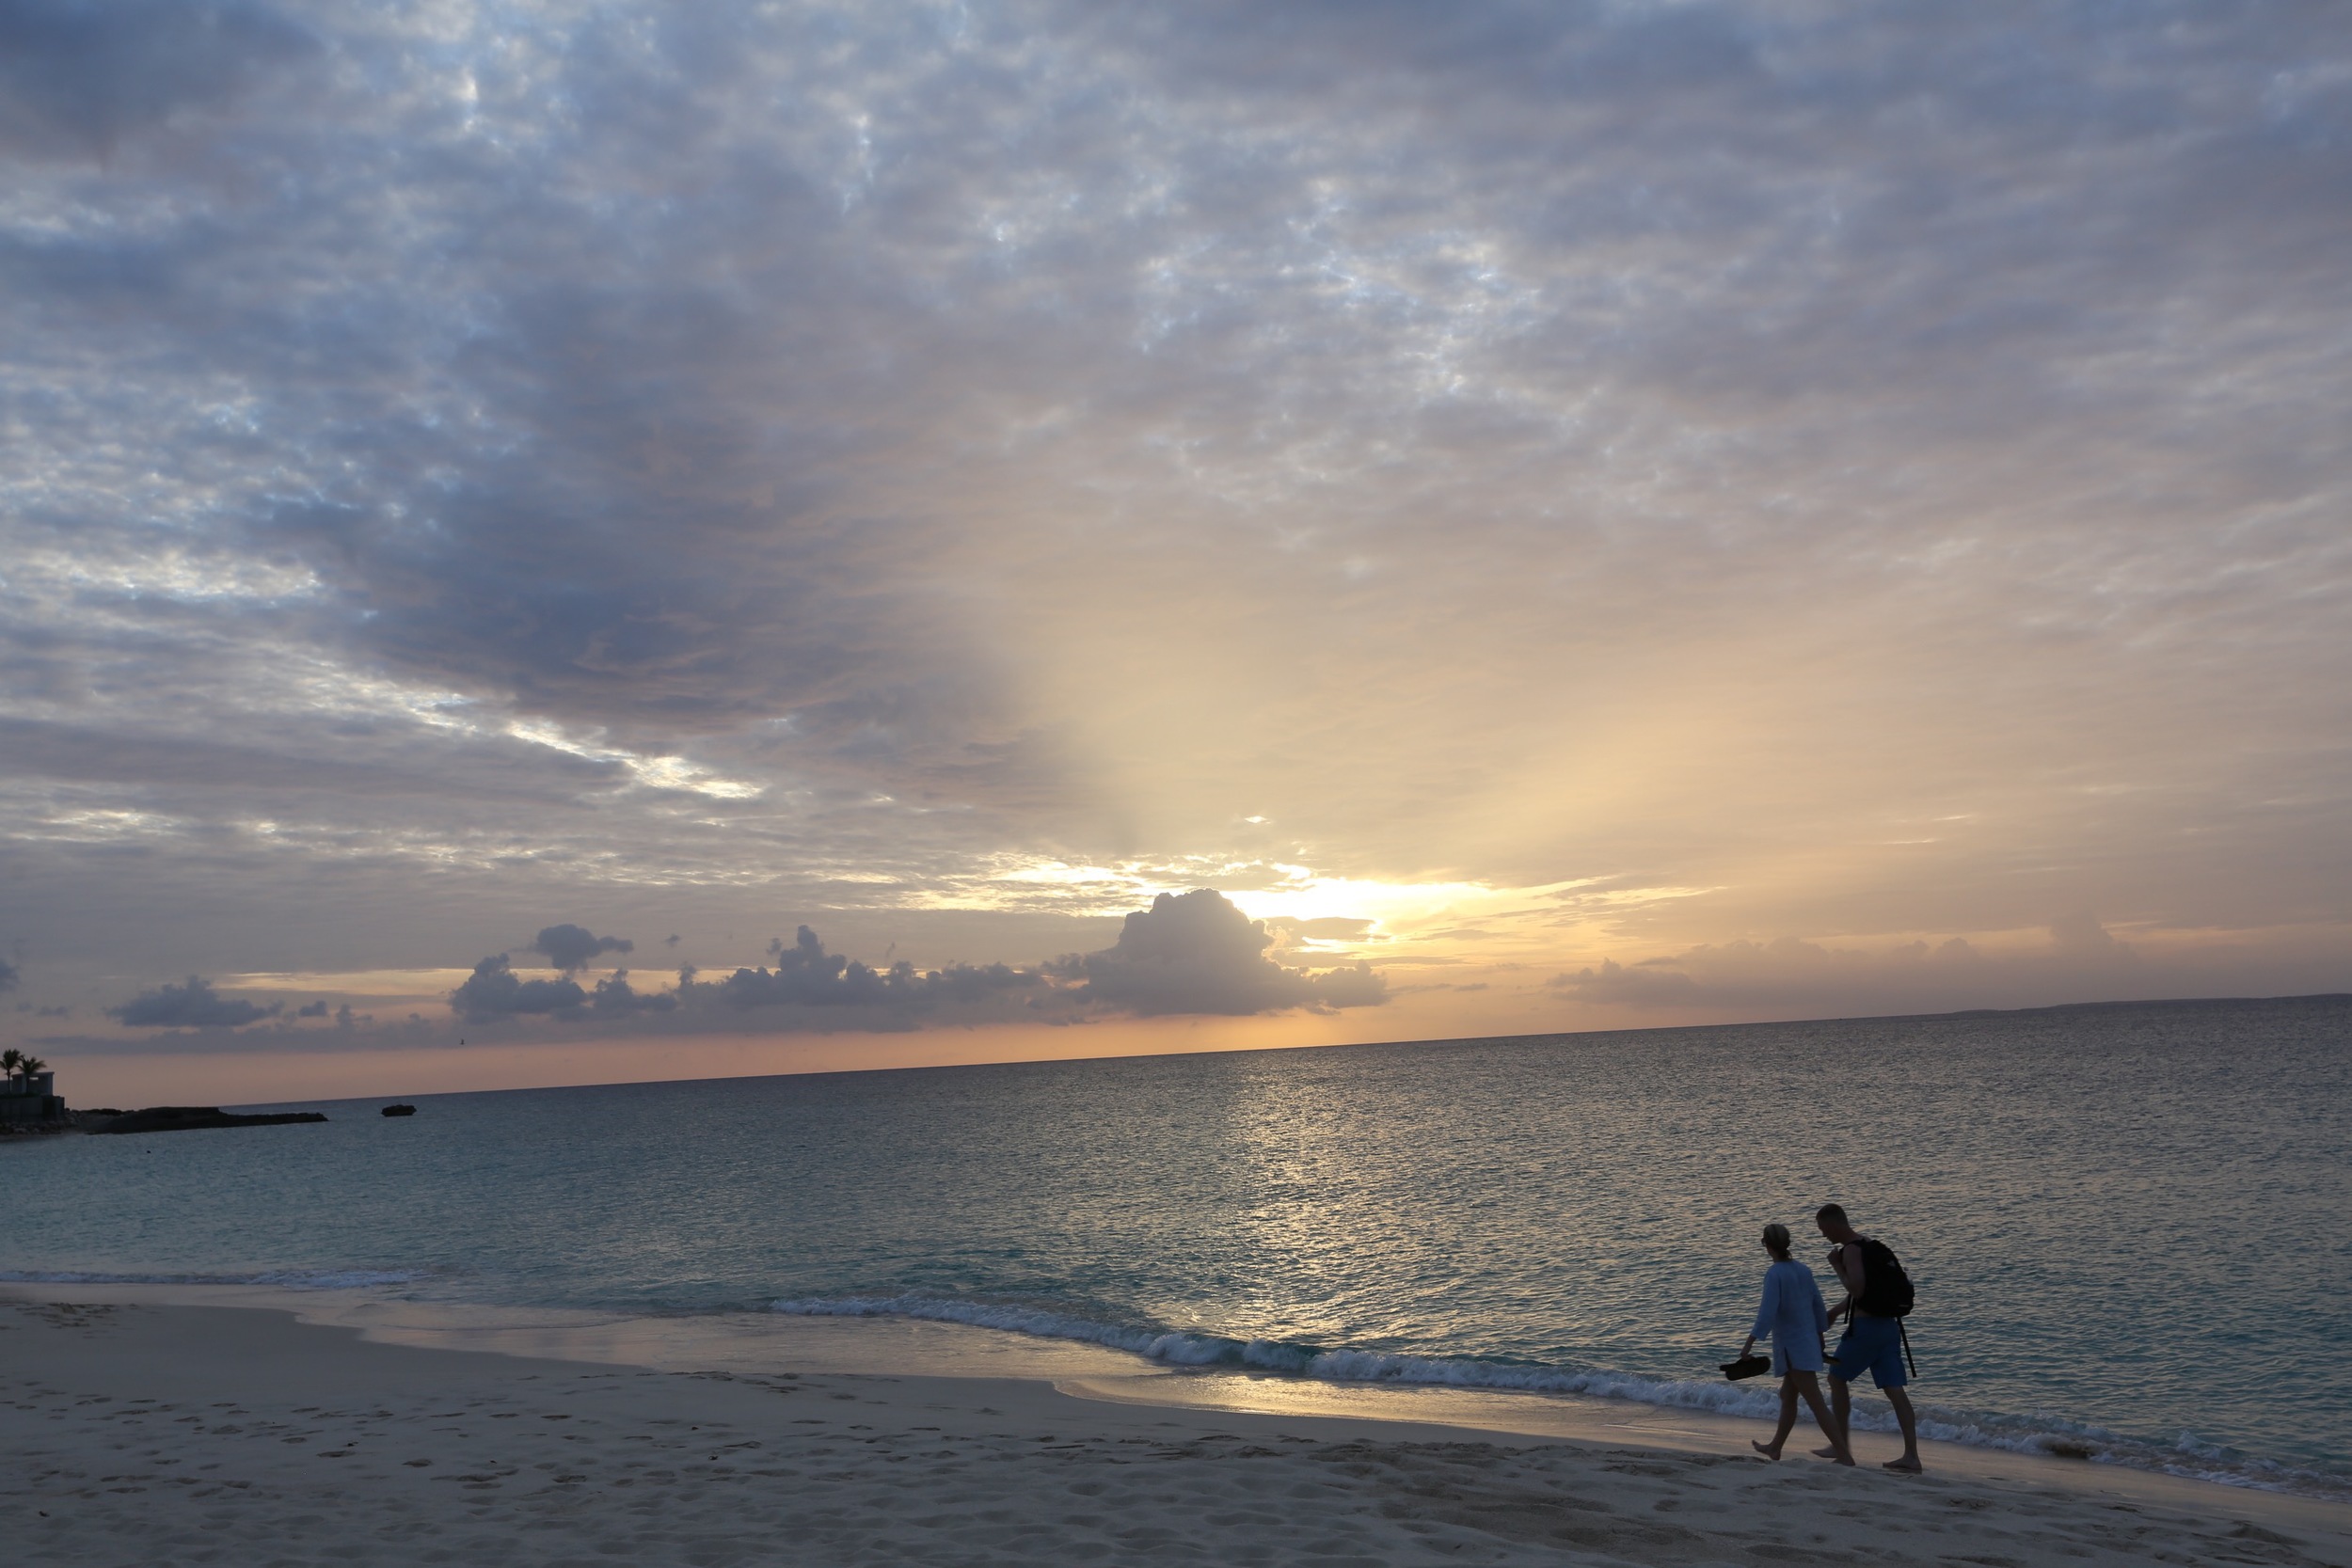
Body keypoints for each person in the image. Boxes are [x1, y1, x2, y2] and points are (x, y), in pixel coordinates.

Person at [1813, 1202, 1924, 1472]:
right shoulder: (1869, 1244)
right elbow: (1866, 1290)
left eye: (1823, 1230)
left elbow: (1858, 1290)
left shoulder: (1850, 1251)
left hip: (1866, 1330)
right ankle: (1911, 1456)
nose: (1824, 1236)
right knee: (1894, 1390)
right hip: (1889, 1328)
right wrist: (1837, 1311)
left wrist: (1837, 1266)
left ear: (1833, 1224)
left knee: (1836, 1378)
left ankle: (1841, 1446)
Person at [1740, 1223, 1855, 1464]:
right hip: (1807, 1342)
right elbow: (1817, 1305)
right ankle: (1775, 1447)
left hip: (1792, 1347)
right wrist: (1820, 1335)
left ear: (1767, 1245)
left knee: (1816, 1403)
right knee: (1788, 1395)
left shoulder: (1775, 1274)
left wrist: (1749, 1343)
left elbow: (1767, 1312)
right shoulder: (1803, 1270)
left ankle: (1844, 1455)